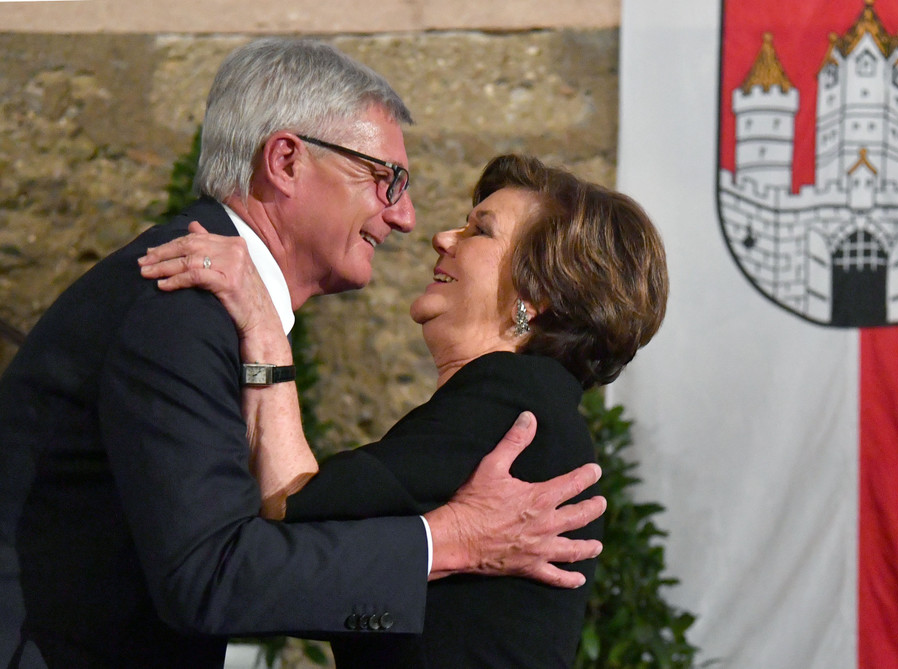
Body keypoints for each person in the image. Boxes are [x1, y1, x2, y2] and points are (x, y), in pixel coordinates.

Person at [0, 39, 605, 669]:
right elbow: (213, 576)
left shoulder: (213, 300)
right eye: (386, 179)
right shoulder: (183, 300)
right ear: (286, 161)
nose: (406, 218)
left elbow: (291, 532)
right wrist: (448, 542)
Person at [139, 153, 670, 666]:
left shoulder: (514, 402)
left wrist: (264, 329)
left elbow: (292, 510)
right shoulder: (532, 405)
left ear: (536, 295)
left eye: (479, 231)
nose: (443, 238)